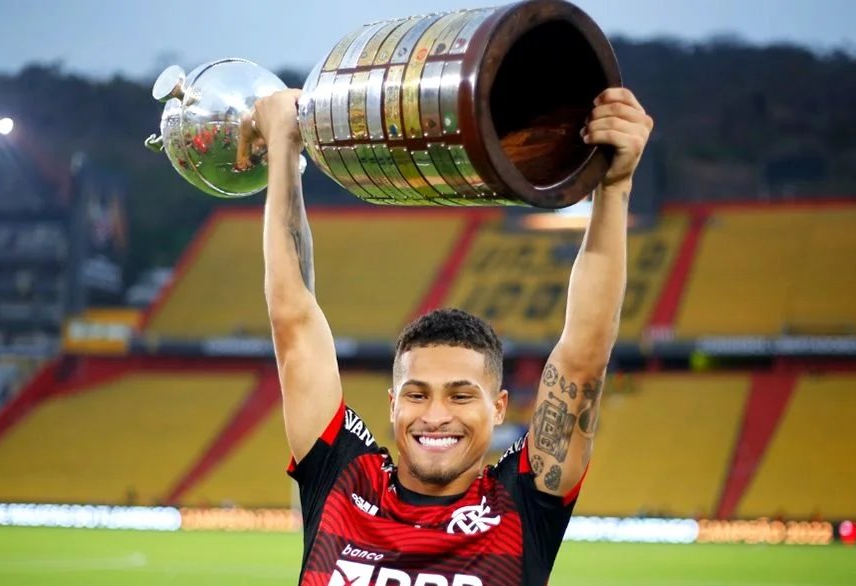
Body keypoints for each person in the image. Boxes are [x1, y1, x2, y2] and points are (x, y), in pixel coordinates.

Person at [255, 85, 652, 585]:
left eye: (461, 395)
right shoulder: (343, 478)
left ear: (499, 407)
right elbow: (292, 320)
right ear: (393, 405)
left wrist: (613, 187)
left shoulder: (522, 503)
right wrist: (284, 148)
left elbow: (583, 357)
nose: (436, 415)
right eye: (417, 394)